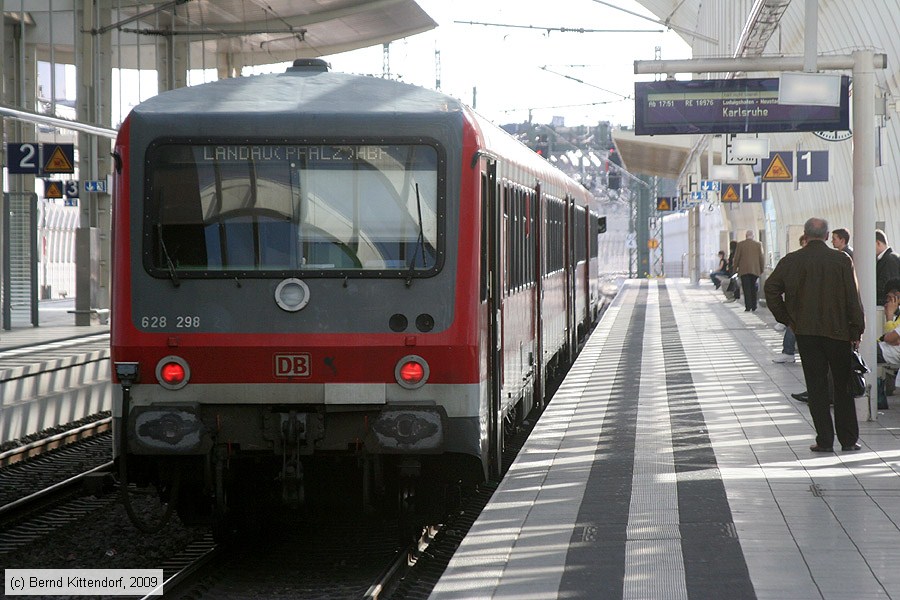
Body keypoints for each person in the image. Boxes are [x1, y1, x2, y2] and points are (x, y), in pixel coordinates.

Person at [765, 217, 865, 453]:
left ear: (806, 234)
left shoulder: (792, 260)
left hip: (807, 333)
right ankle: (849, 440)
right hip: (839, 333)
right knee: (842, 386)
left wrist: (787, 319)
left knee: (816, 387)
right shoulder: (841, 260)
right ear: (828, 235)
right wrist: (856, 329)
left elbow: (771, 288)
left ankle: (824, 440)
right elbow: (853, 298)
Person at [773, 234, 807, 364]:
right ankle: (788, 351)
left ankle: (788, 352)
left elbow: (772, 287)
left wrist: (781, 314)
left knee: (793, 325)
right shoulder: (833, 258)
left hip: (800, 303)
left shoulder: (793, 260)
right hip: (802, 303)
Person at [733, 229, 765, 312]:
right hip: (755, 270)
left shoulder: (740, 244)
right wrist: (761, 268)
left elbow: (736, 258)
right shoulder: (758, 245)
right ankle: (754, 306)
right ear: (753, 236)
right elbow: (761, 258)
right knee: (753, 287)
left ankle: (748, 306)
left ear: (746, 236)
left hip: (744, 270)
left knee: (746, 288)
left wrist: (734, 268)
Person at [876, 229, 900, 306]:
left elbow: (887, 285)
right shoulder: (887, 258)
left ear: (878, 243)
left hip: (888, 306)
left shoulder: (890, 260)